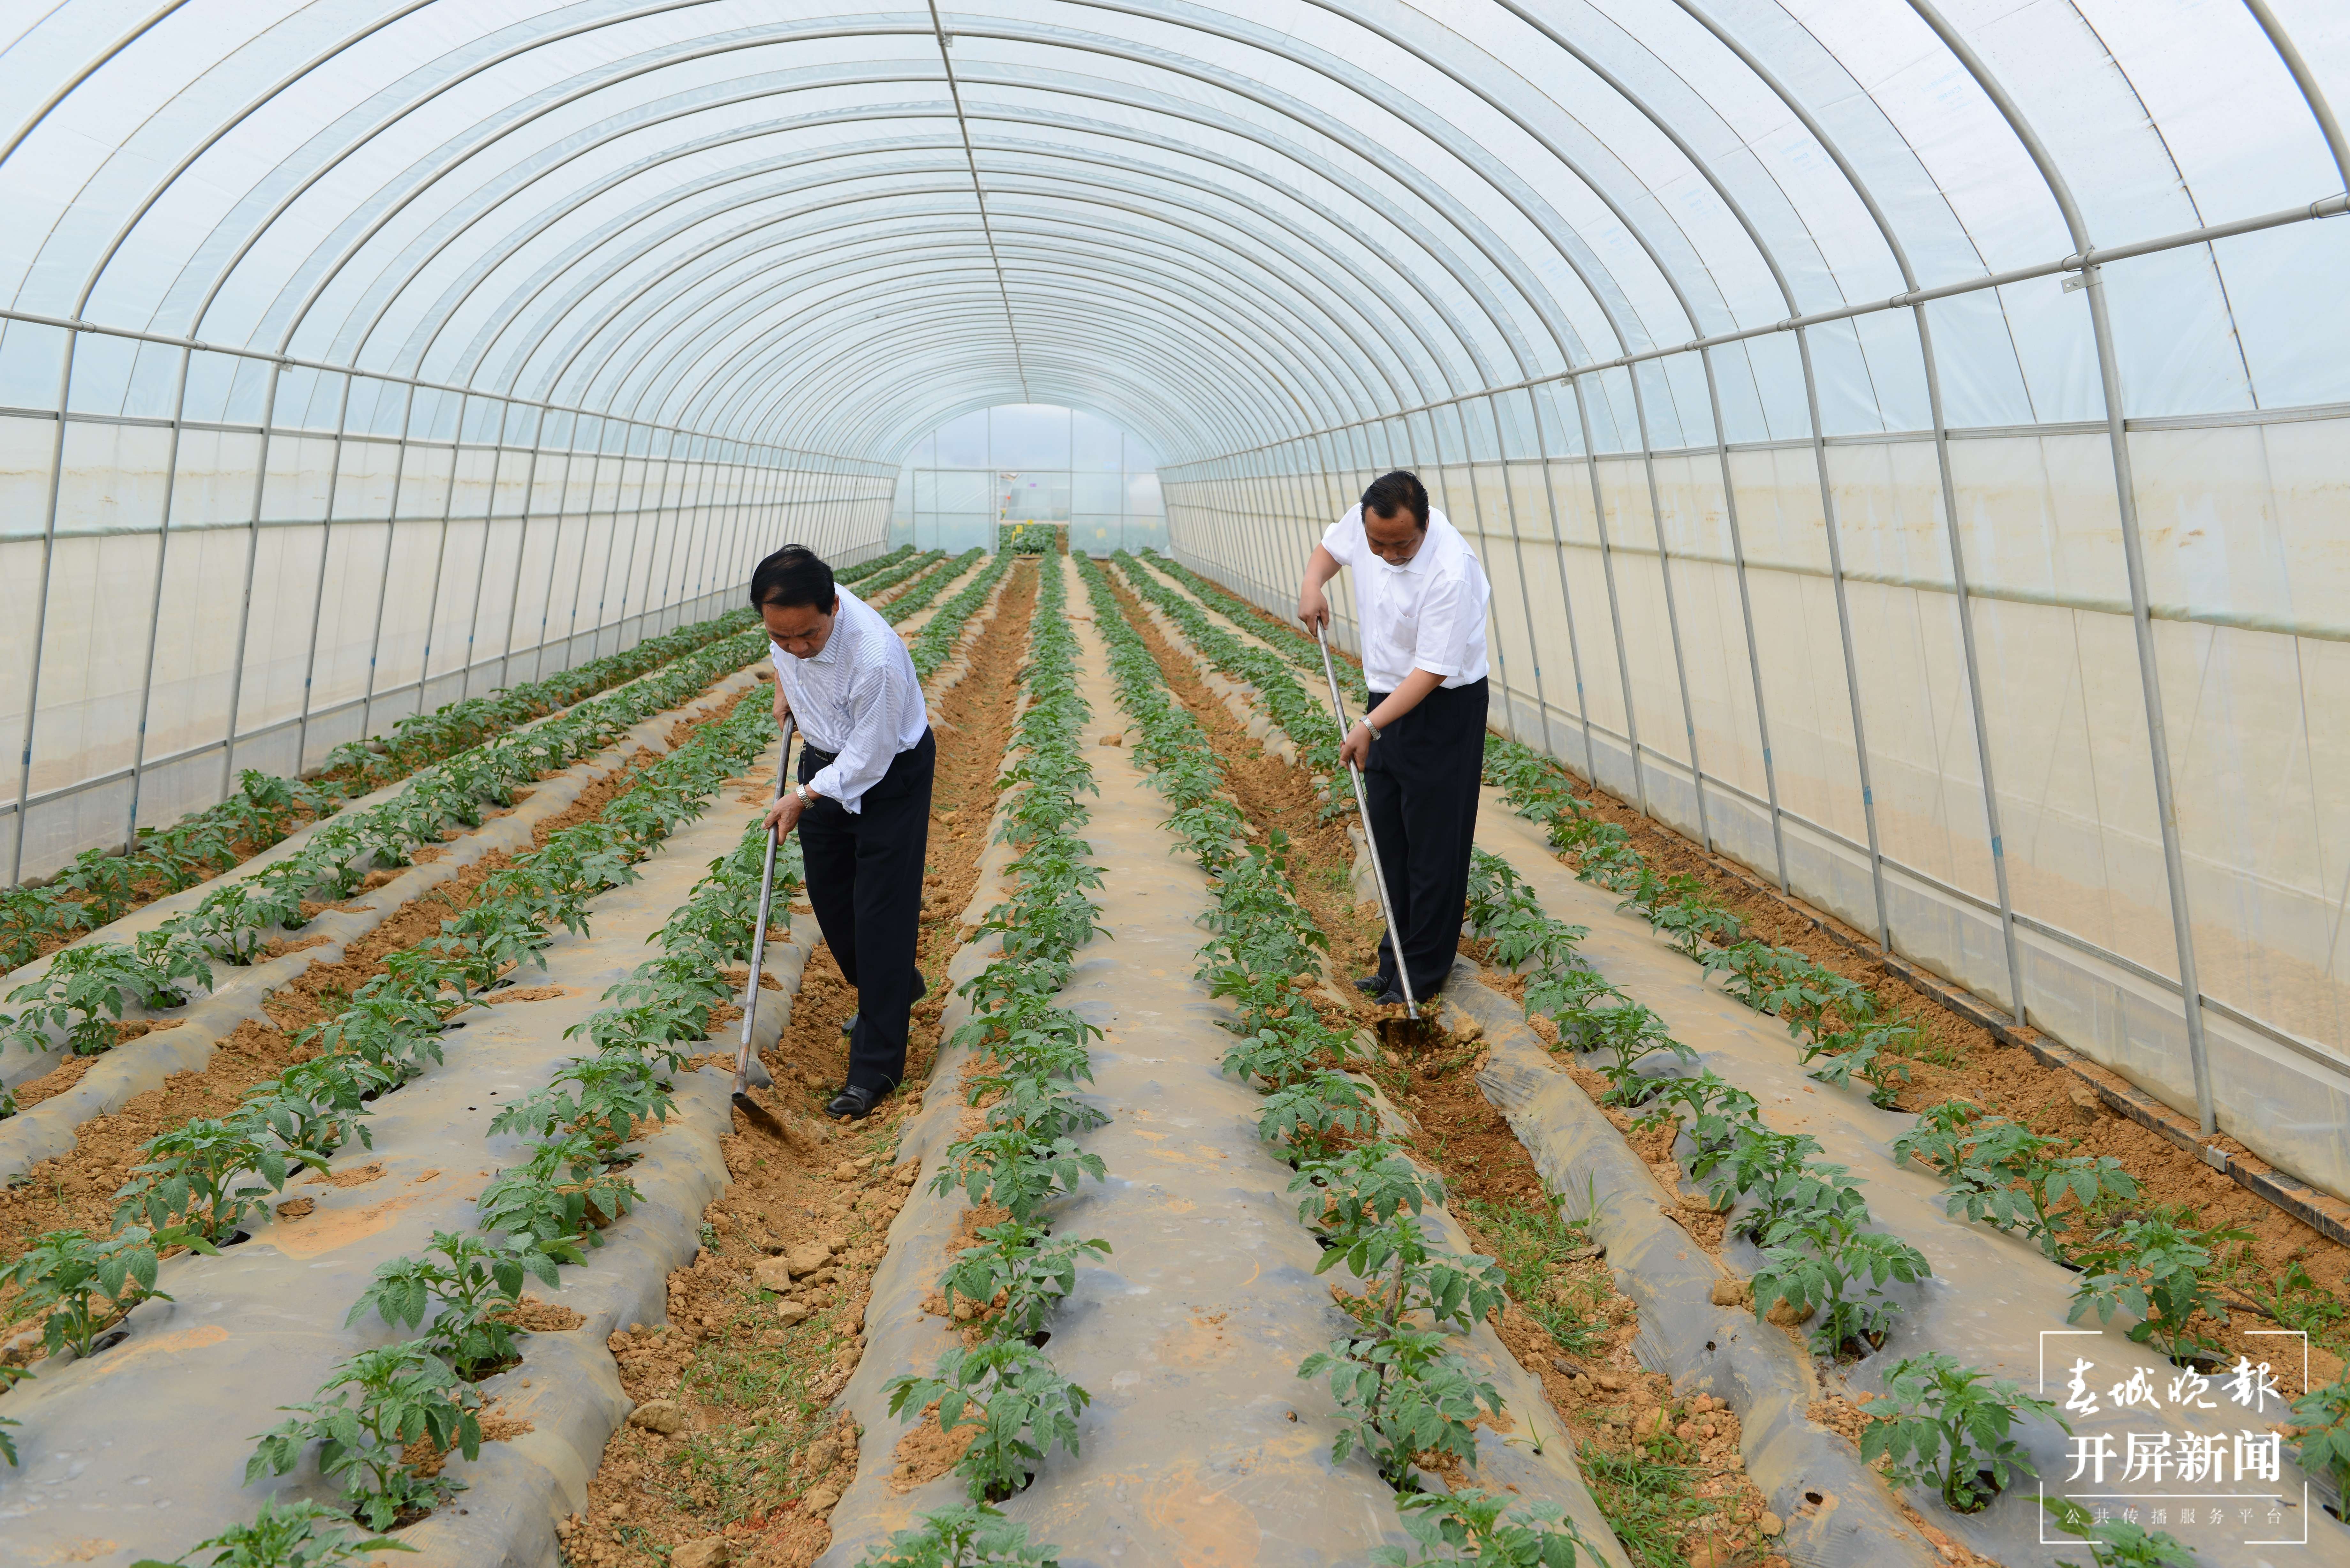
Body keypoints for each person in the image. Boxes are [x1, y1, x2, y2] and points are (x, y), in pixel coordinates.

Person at [1295, 471, 1491, 1007]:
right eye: (1377, 543)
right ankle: (1392, 964)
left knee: (1432, 846)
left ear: (1424, 524)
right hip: (1386, 700)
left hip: (1443, 709)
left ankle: (1420, 978)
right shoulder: (1371, 525)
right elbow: (1329, 550)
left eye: (1401, 544)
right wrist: (1314, 585)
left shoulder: (1451, 572)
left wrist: (1369, 727)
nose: (1387, 554)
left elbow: (1431, 672)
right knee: (1390, 838)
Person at [752, 545, 933, 1119]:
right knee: (834, 903)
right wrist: (788, 681)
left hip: (888, 776)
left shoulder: (873, 658)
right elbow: (789, 655)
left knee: (882, 914)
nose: (797, 647)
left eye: (808, 636)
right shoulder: (788, 627)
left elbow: (871, 756)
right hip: (824, 761)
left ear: (833, 606)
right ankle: (895, 987)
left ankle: (874, 1068)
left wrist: (803, 796)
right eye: (782, 639)